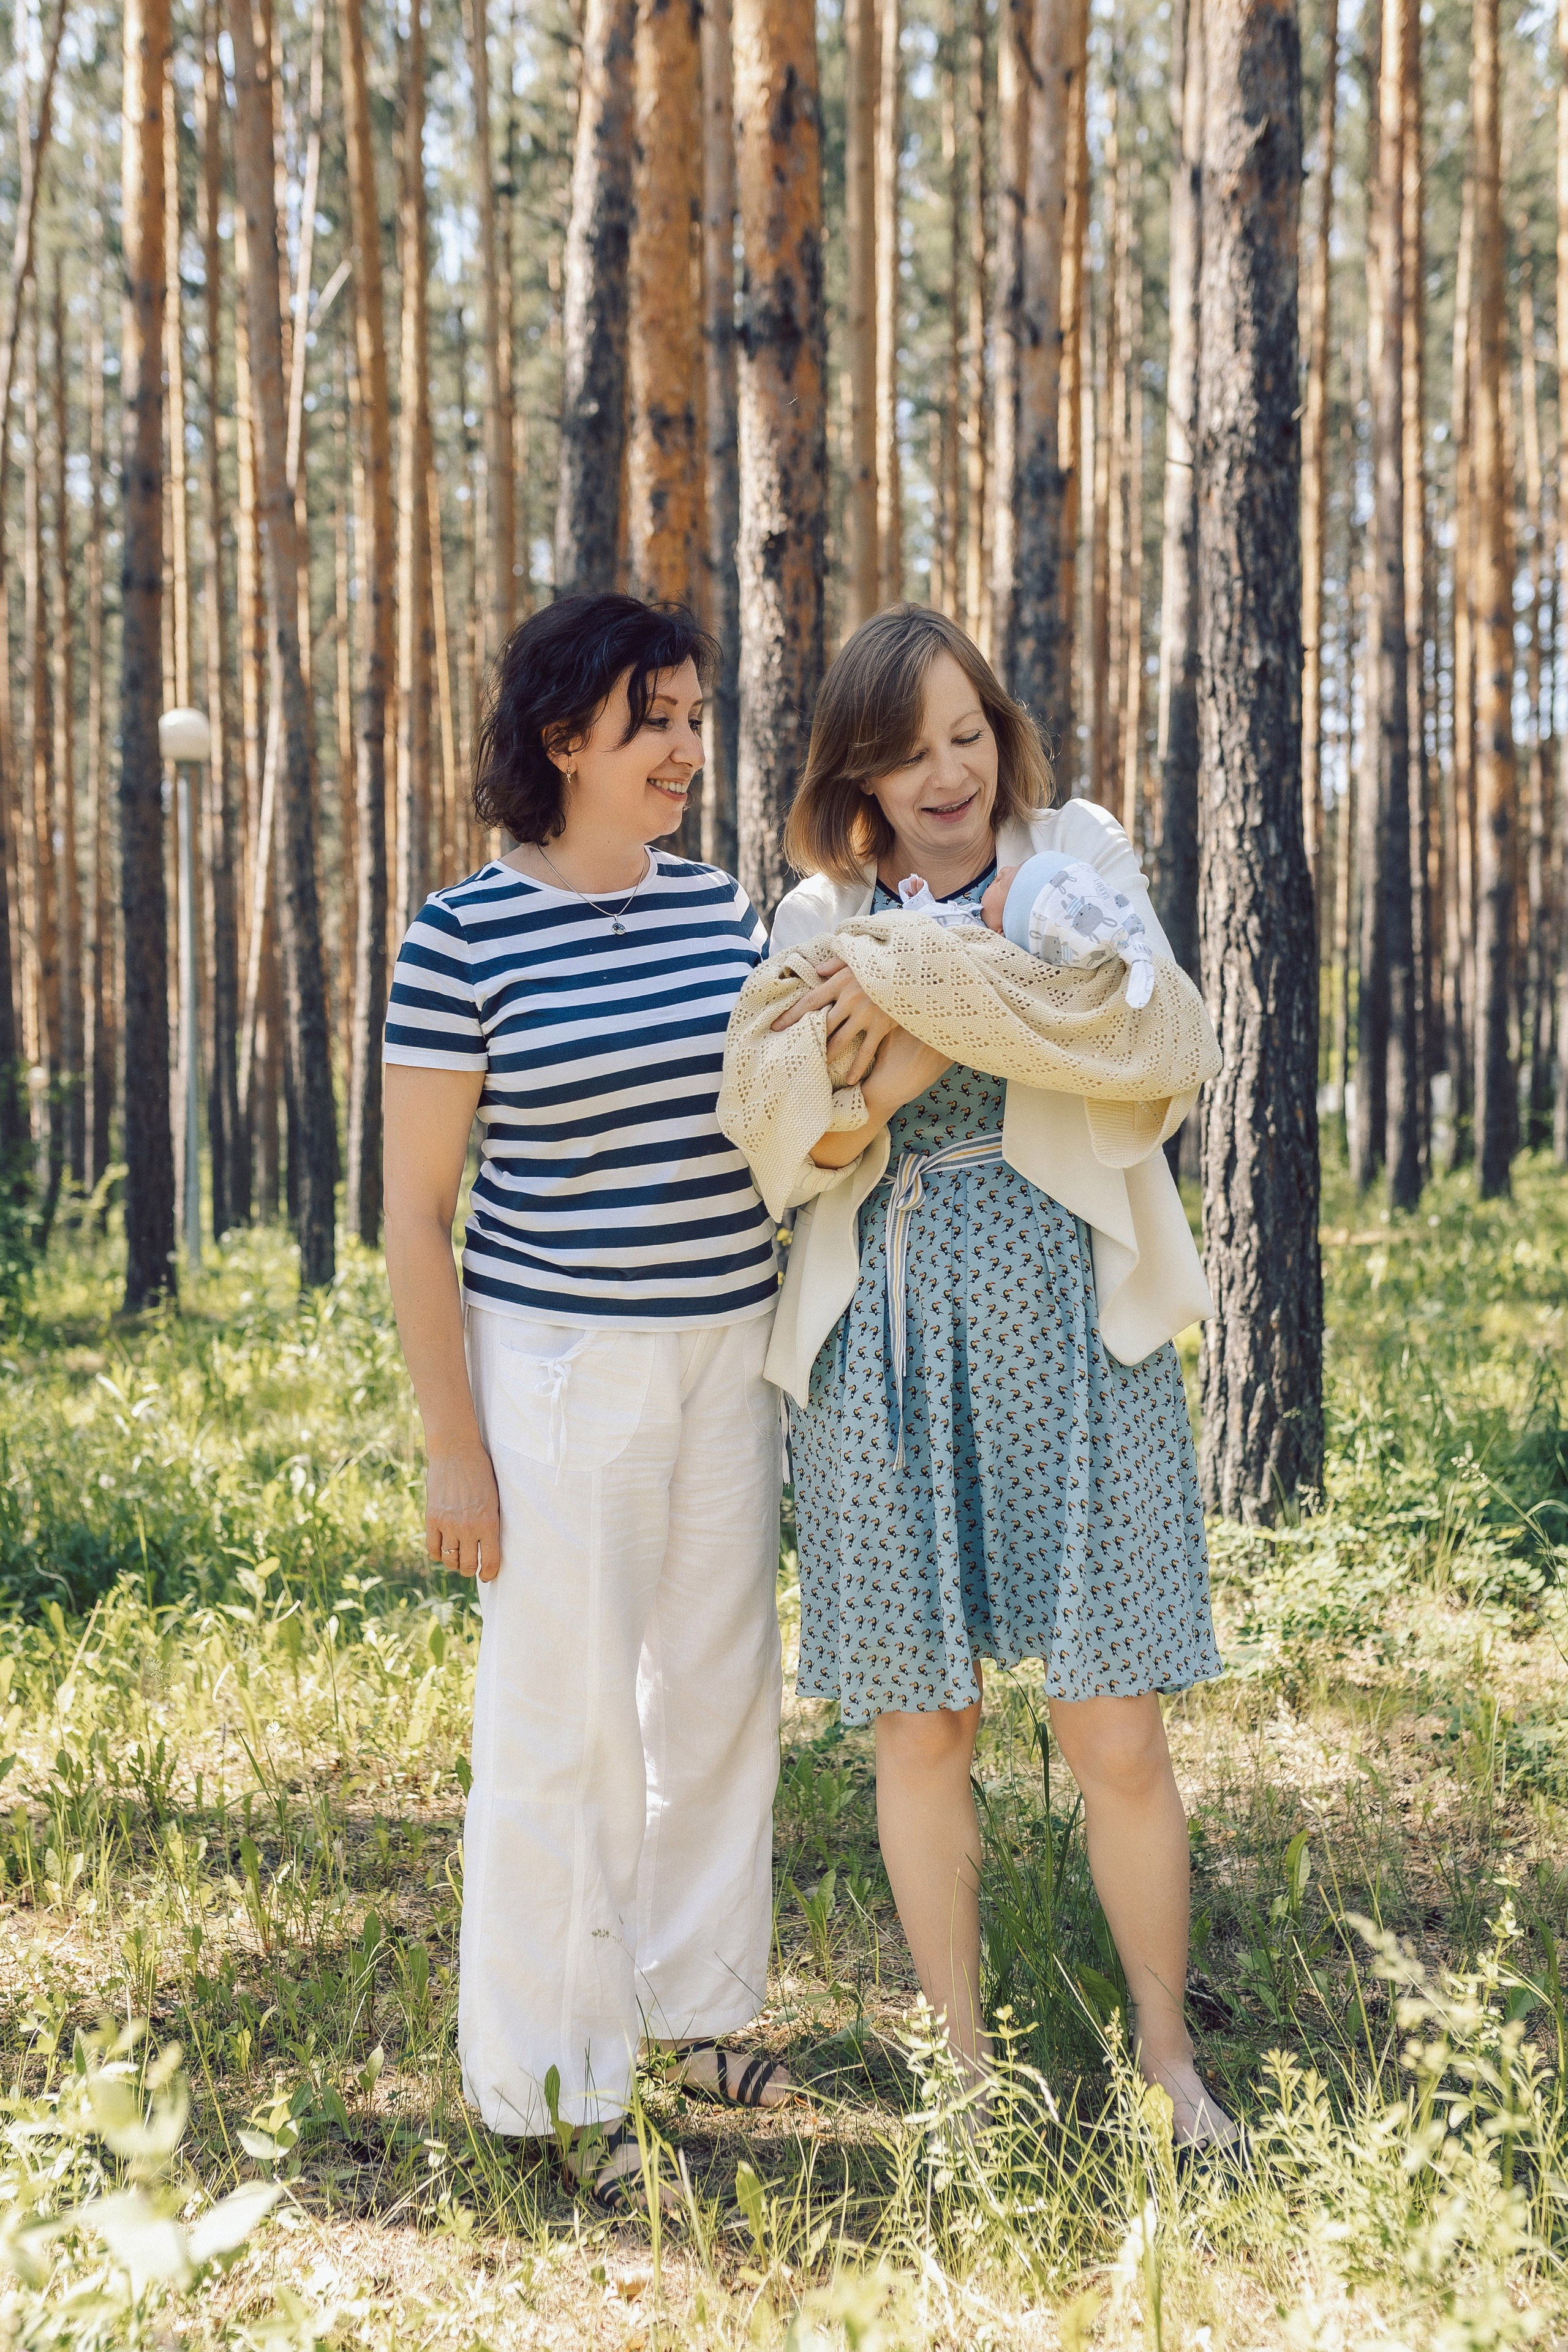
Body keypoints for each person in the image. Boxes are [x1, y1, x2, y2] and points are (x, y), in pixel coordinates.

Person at [724, 603, 1234, 2149]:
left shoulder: (1077, 851)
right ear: (855, 778)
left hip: (1076, 1330)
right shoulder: (814, 914)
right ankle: (963, 2076)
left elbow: (1151, 1042)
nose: (945, 776)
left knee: (1113, 1730)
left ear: (994, 733)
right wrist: (905, 1035)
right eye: (903, 752)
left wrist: (914, 1012)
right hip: (881, 1338)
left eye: (964, 736)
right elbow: (778, 1137)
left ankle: (1165, 2063)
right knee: (920, 1728)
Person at [382, 593, 791, 2211]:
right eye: (658, 721)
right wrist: (452, 1447)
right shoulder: (460, 935)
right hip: (558, 1370)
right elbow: (417, 1210)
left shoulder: (728, 918)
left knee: (713, 1698)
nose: (691, 748)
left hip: (726, 1356)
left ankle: (691, 2019)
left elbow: (784, 1122)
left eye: (696, 715)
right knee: (560, 1726)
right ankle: (557, 2079)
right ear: (566, 741)